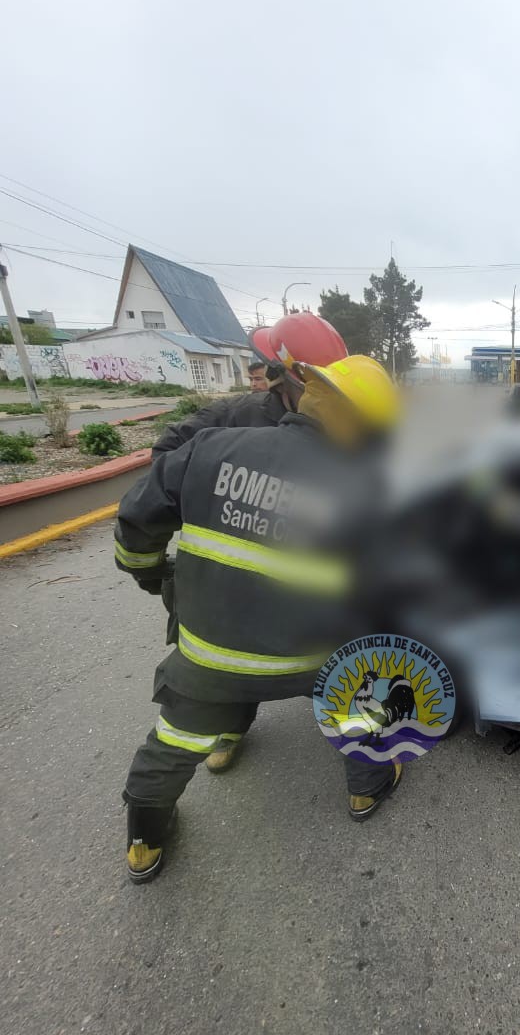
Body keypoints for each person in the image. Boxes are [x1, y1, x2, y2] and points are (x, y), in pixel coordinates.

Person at [114, 352, 401, 883]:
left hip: (211, 662)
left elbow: (134, 529)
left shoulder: (210, 449)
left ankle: (144, 840)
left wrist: (155, 577)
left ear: (309, 394)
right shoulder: (371, 491)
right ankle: (367, 787)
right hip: (315, 662)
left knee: (175, 736)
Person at [152, 313, 347, 456]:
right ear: (278, 382)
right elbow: (168, 448)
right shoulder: (239, 415)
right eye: (311, 389)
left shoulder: (349, 429)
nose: (322, 402)